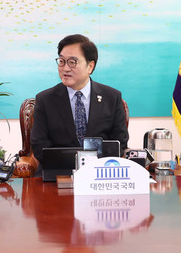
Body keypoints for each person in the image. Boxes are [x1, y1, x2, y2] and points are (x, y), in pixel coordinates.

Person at [31, 34, 129, 163]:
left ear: (90, 66)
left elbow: (120, 144)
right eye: (62, 61)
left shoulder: (111, 97)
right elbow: (40, 147)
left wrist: (91, 166)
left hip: (99, 170)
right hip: (57, 170)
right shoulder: (45, 100)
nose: (65, 68)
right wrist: (75, 164)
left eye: (72, 62)